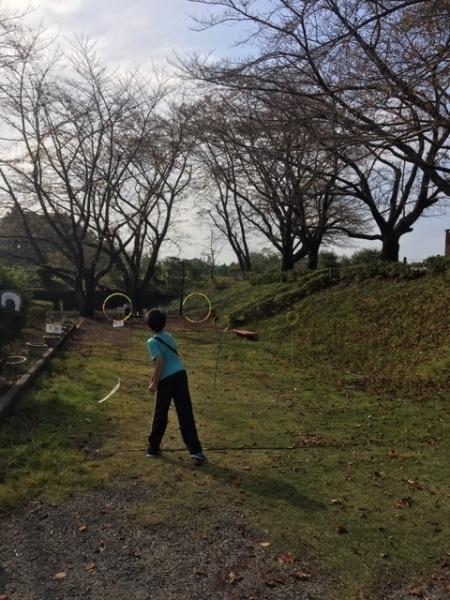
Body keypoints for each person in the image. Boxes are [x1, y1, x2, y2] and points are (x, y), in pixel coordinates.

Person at [145, 308, 206, 465]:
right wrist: (152, 380)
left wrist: (155, 384)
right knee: (185, 412)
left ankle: (153, 448)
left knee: (161, 413)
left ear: (149, 325)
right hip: (180, 375)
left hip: (167, 380)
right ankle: (196, 451)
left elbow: (160, 362)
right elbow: (167, 359)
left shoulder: (151, 342)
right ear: (164, 323)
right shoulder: (169, 337)